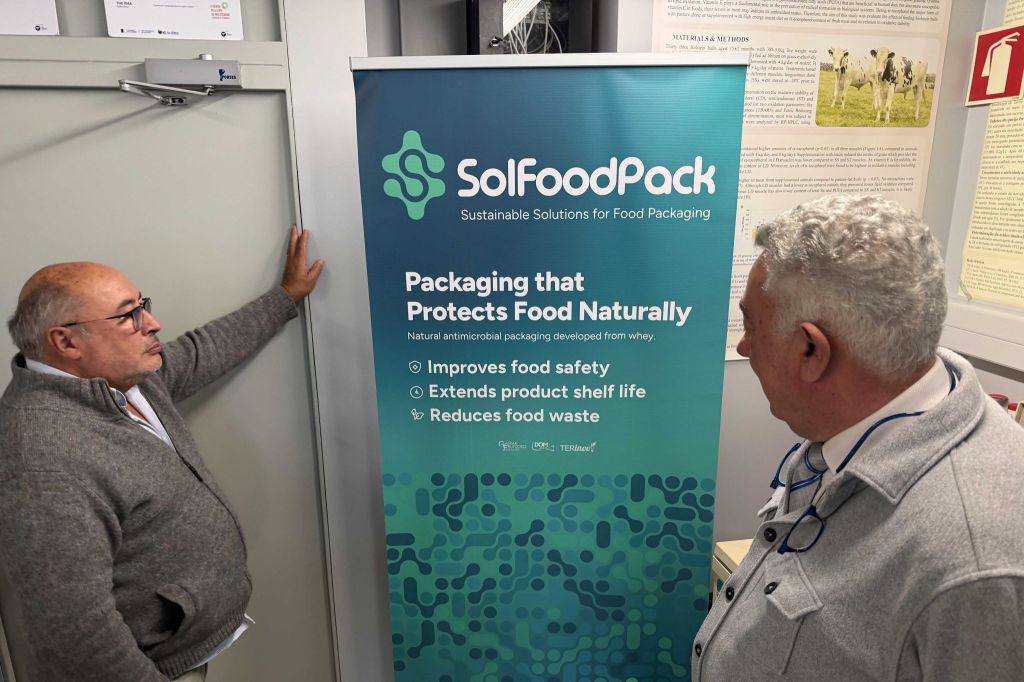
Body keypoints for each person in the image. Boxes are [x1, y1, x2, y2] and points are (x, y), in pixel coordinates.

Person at [693, 195, 1024, 680]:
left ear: (812, 350)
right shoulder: (860, 425)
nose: (744, 346)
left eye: (750, 326)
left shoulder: (974, 566)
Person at [0, 227, 324, 681]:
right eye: (127, 316)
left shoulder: (125, 379)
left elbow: (203, 350)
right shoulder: (42, 458)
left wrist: (286, 297)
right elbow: (75, 634)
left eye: (143, 305)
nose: (151, 323)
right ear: (67, 343)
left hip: (189, 646)